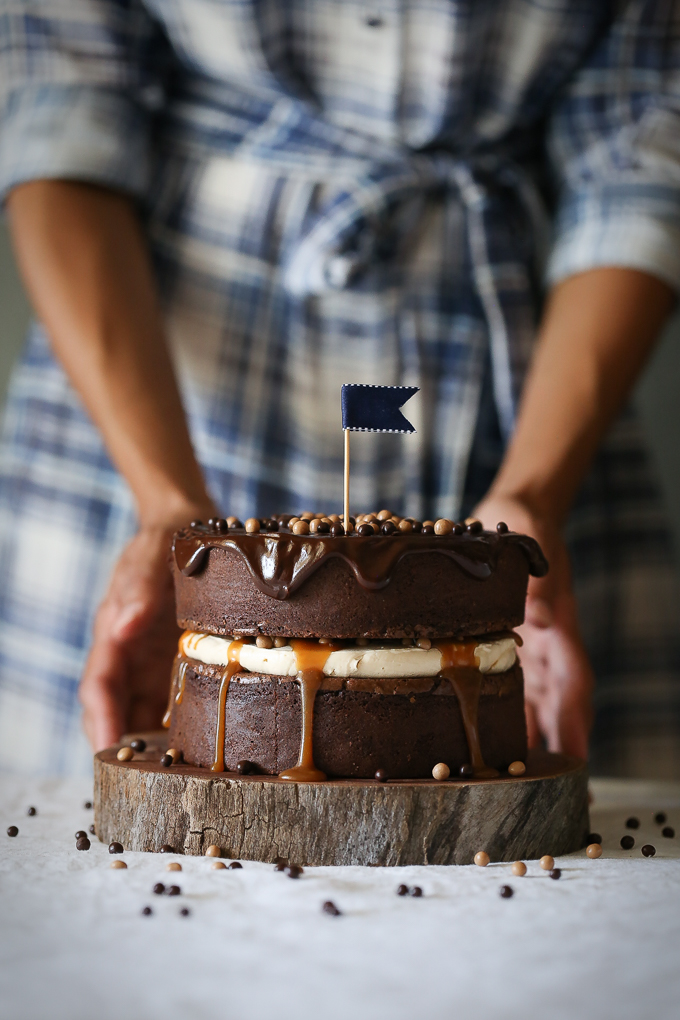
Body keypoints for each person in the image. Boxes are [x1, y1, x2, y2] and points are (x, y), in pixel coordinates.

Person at [0, 1, 679, 777]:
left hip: (540, 385)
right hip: (145, 377)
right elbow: (57, 111)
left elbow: (642, 157)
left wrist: (532, 494)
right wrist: (166, 504)